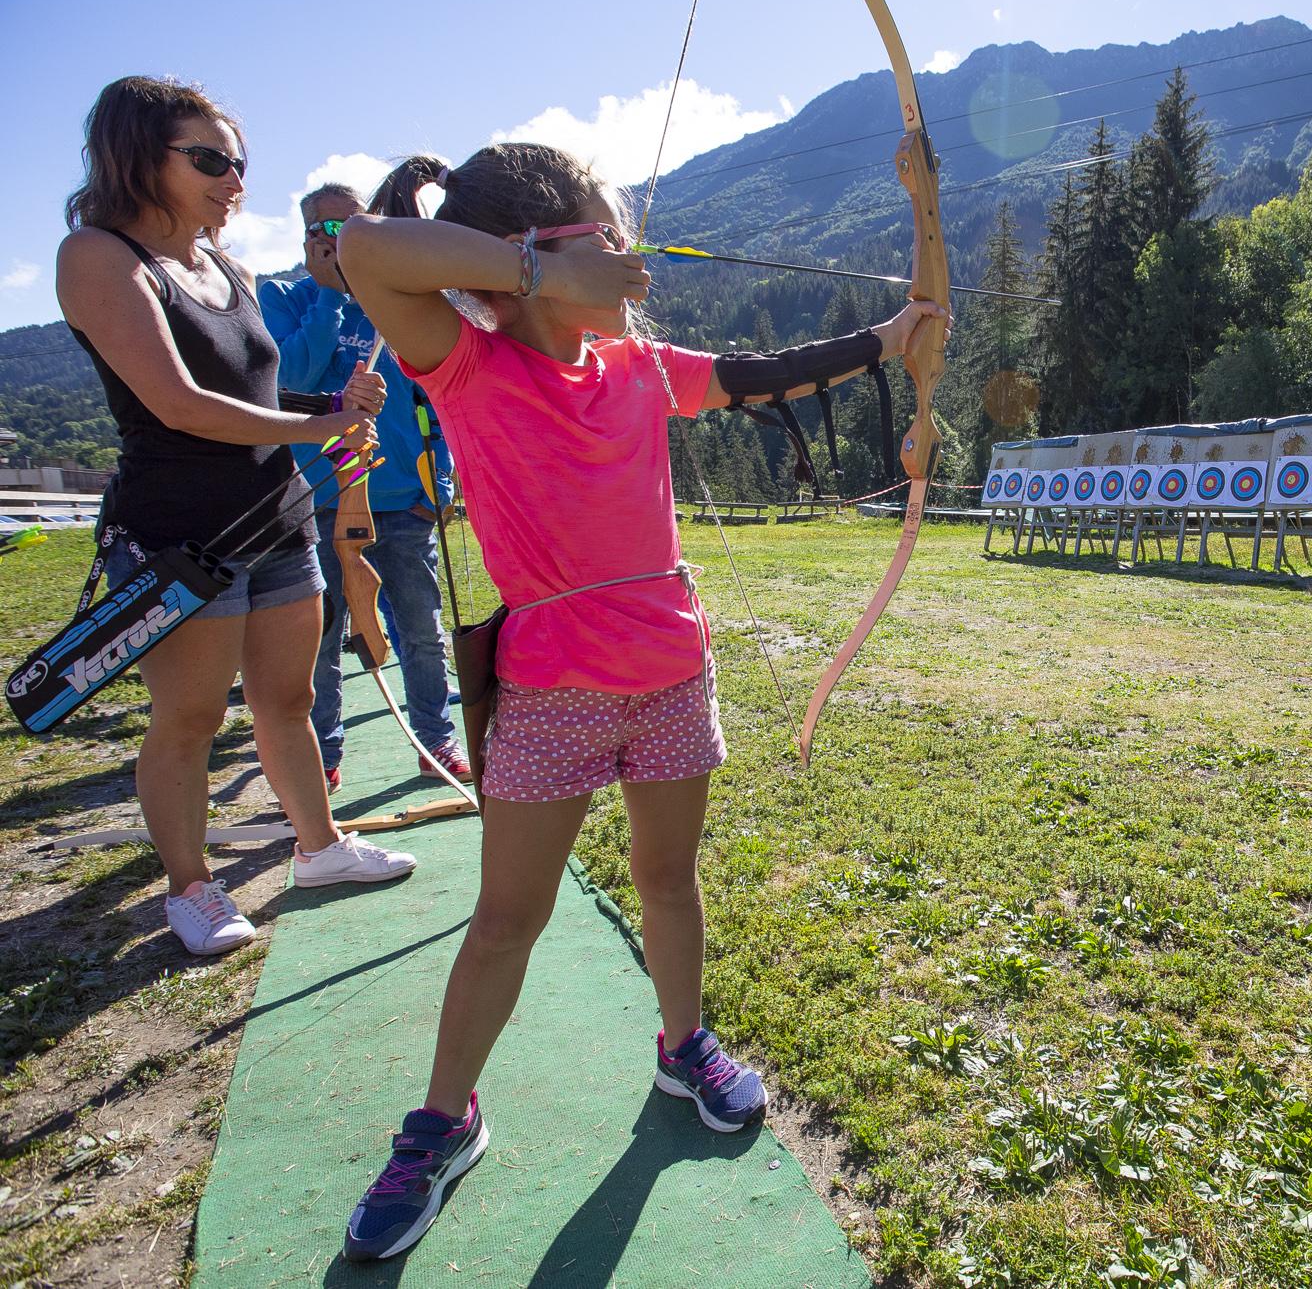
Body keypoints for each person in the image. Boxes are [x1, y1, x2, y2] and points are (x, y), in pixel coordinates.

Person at [332, 143, 944, 1262]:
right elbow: (365, 249)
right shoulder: (461, 363)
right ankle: (440, 1121)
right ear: (538, 253)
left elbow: (762, 372)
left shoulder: (639, 364)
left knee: (669, 878)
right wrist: (535, 271)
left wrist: (888, 337)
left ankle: (682, 1043)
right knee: (507, 919)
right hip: (553, 689)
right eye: (606, 238)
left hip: (670, 675)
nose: (629, 259)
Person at [54, 76, 416, 958]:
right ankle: (192, 888)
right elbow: (178, 404)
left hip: (277, 516)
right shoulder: (97, 257)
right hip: (182, 535)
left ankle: (321, 849)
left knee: (286, 700)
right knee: (191, 719)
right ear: (139, 155)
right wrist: (321, 424)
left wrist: (330, 400)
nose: (234, 179)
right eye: (210, 159)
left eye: (238, 162)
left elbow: (250, 389)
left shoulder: (227, 265)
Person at [259, 183, 467, 792]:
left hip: (403, 497)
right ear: (306, 239)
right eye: (326, 230)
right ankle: (323, 755)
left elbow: (440, 393)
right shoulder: (284, 298)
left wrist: (443, 477)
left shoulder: (399, 300)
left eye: (353, 227)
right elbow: (288, 374)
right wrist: (327, 299)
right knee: (319, 640)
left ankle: (436, 742)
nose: (341, 240)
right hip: (316, 497)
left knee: (421, 630)